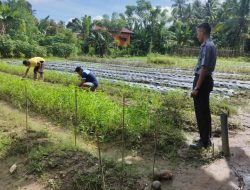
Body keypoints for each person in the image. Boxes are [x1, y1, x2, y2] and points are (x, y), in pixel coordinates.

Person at [190, 23, 217, 149]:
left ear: (203, 32)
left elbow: (204, 68)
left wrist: (196, 88)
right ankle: (206, 138)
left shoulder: (207, 46)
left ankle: (203, 141)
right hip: (206, 81)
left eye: (198, 32)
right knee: (205, 111)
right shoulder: (210, 45)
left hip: (203, 81)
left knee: (201, 112)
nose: (197, 35)